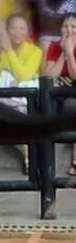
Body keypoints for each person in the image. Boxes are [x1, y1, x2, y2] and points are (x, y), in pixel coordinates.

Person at [0, 14, 42, 176]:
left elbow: (23, 75)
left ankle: (29, 160)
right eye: (13, 28)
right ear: (7, 31)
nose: (17, 32)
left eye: (21, 28)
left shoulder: (35, 51)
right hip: (0, 100)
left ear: (28, 31)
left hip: (22, 102)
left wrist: (9, 51)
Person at [43, 12, 76, 175]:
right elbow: (48, 76)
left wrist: (70, 52)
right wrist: (63, 53)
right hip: (57, 95)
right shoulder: (54, 46)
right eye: (65, 26)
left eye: (73, 26)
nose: (69, 30)